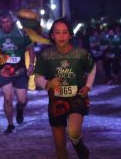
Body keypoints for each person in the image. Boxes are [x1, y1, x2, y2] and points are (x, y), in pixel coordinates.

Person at [34, 18, 96, 159]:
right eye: (57, 32)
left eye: (65, 32)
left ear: (70, 35)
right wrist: (48, 83)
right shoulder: (45, 55)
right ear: (52, 35)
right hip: (56, 100)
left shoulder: (81, 54)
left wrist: (88, 86)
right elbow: (37, 76)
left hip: (77, 96)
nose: (61, 36)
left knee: (73, 132)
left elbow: (92, 68)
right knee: (60, 145)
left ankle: (78, 144)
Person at [0, 10, 35, 134]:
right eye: (3, 22)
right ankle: (10, 124)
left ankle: (19, 110)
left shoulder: (21, 33)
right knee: (8, 99)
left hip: (20, 71)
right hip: (4, 72)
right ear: (0, 23)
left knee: (22, 100)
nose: (6, 24)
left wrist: (30, 65)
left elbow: (30, 49)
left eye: (8, 21)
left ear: (11, 21)